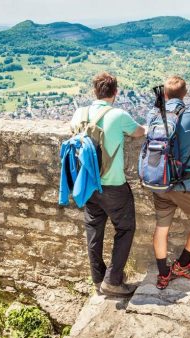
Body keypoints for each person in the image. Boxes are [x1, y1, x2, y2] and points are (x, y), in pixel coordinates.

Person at [70, 72, 146, 297]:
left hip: (88, 184)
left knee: (94, 230)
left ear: (95, 91)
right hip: (113, 186)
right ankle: (112, 280)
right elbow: (140, 132)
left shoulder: (79, 113)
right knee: (125, 228)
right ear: (115, 92)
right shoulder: (119, 115)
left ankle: (98, 278)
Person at [151, 76, 190, 290]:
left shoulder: (154, 113)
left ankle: (162, 275)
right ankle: (183, 264)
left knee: (161, 228)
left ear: (165, 94)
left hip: (159, 182)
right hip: (183, 185)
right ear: (185, 94)